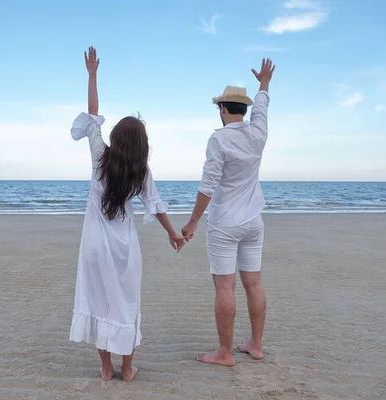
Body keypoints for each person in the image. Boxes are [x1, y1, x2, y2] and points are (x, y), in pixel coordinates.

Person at [68, 46, 186, 381]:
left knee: (98, 301)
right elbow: (157, 204)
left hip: (94, 245)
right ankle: (128, 367)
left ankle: (106, 367)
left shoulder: (100, 157)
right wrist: (173, 234)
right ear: (140, 145)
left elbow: (93, 115)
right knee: (126, 303)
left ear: (117, 138)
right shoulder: (141, 171)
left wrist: (92, 74)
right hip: (124, 250)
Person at [181, 58, 276, 366]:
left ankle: (225, 353)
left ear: (222, 109)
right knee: (254, 283)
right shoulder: (258, 133)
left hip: (225, 224)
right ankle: (256, 345)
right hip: (253, 221)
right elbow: (262, 109)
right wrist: (264, 84)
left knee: (225, 286)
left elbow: (208, 185)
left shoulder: (219, 139)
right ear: (243, 110)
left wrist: (194, 221)